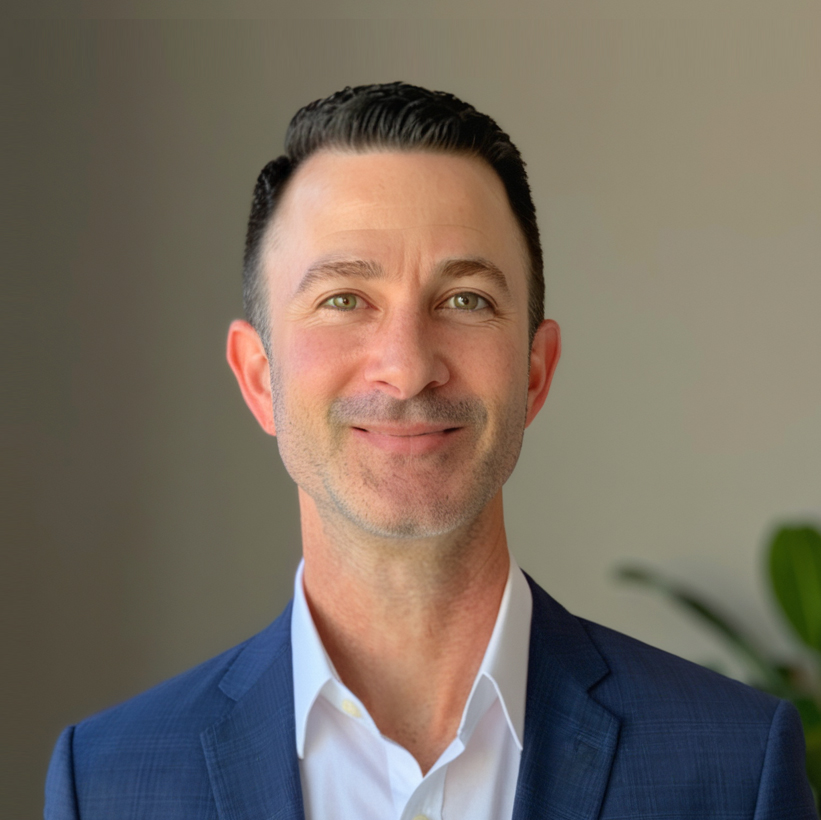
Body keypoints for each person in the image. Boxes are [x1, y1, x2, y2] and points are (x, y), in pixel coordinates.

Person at [45, 82, 816, 819]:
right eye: (343, 300)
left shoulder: (732, 764)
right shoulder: (108, 781)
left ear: (534, 374)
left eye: (464, 300)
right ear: (258, 379)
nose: (408, 365)